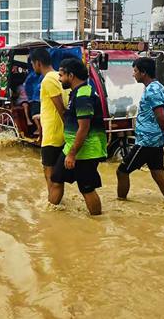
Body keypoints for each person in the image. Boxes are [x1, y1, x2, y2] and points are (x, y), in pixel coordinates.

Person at [48, 58, 106, 215]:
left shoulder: (83, 96)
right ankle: (50, 216)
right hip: (72, 147)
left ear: (71, 75)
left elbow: (84, 128)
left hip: (86, 151)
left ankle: (97, 223)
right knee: (56, 178)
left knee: (86, 188)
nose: (59, 79)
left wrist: (72, 154)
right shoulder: (78, 92)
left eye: (61, 75)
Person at [117, 57, 164, 201]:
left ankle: (120, 203)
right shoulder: (160, 87)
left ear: (143, 73)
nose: (133, 74)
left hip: (147, 141)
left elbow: (161, 116)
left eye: (135, 71)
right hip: (155, 140)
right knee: (157, 173)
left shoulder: (152, 91)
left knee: (122, 171)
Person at [31, 48, 66, 198]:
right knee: (58, 179)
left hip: (53, 137)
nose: (33, 67)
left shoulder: (48, 80)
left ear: (38, 63)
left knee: (51, 178)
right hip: (58, 135)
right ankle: (56, 207)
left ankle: (52, 210)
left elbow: (61, 109)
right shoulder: (59, 76)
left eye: (32, 64)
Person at [23, 67, 43, 136]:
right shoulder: (42, 74)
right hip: (40, 98)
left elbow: (26, 86)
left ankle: (39, 129)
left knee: (35, 115)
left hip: (34, 98)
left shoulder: (32, 75)